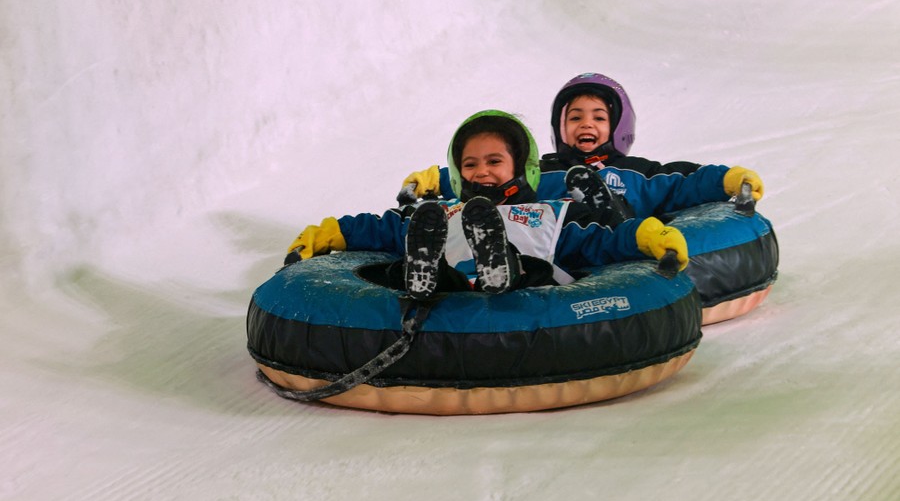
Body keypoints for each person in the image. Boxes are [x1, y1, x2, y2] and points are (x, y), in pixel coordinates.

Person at [286, 110, 689, 300]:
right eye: (470, 165)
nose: (482, 172)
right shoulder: (443, 213)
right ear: (458, 173)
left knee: (533, 269)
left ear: (521, 166)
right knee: (407, 257)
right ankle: (425, 275)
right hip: (453, 291)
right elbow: (381, 227)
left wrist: (646, 235)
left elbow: (600, 242)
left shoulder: (550, 214)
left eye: (494, 162)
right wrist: (329, 235)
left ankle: (502, 267)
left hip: (526, 292)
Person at [399, 73, 765, 225]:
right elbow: (488, 175)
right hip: (557, 235)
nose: (586, 125)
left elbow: (682, 183)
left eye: (598, 118)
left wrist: (728, 180)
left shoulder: (638, 171)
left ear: (618, 126)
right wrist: (432, 181)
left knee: (610, 214)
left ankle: (606, 209)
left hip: (617, 233)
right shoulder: (541, 169)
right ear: (560, 127)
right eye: (575, 117)